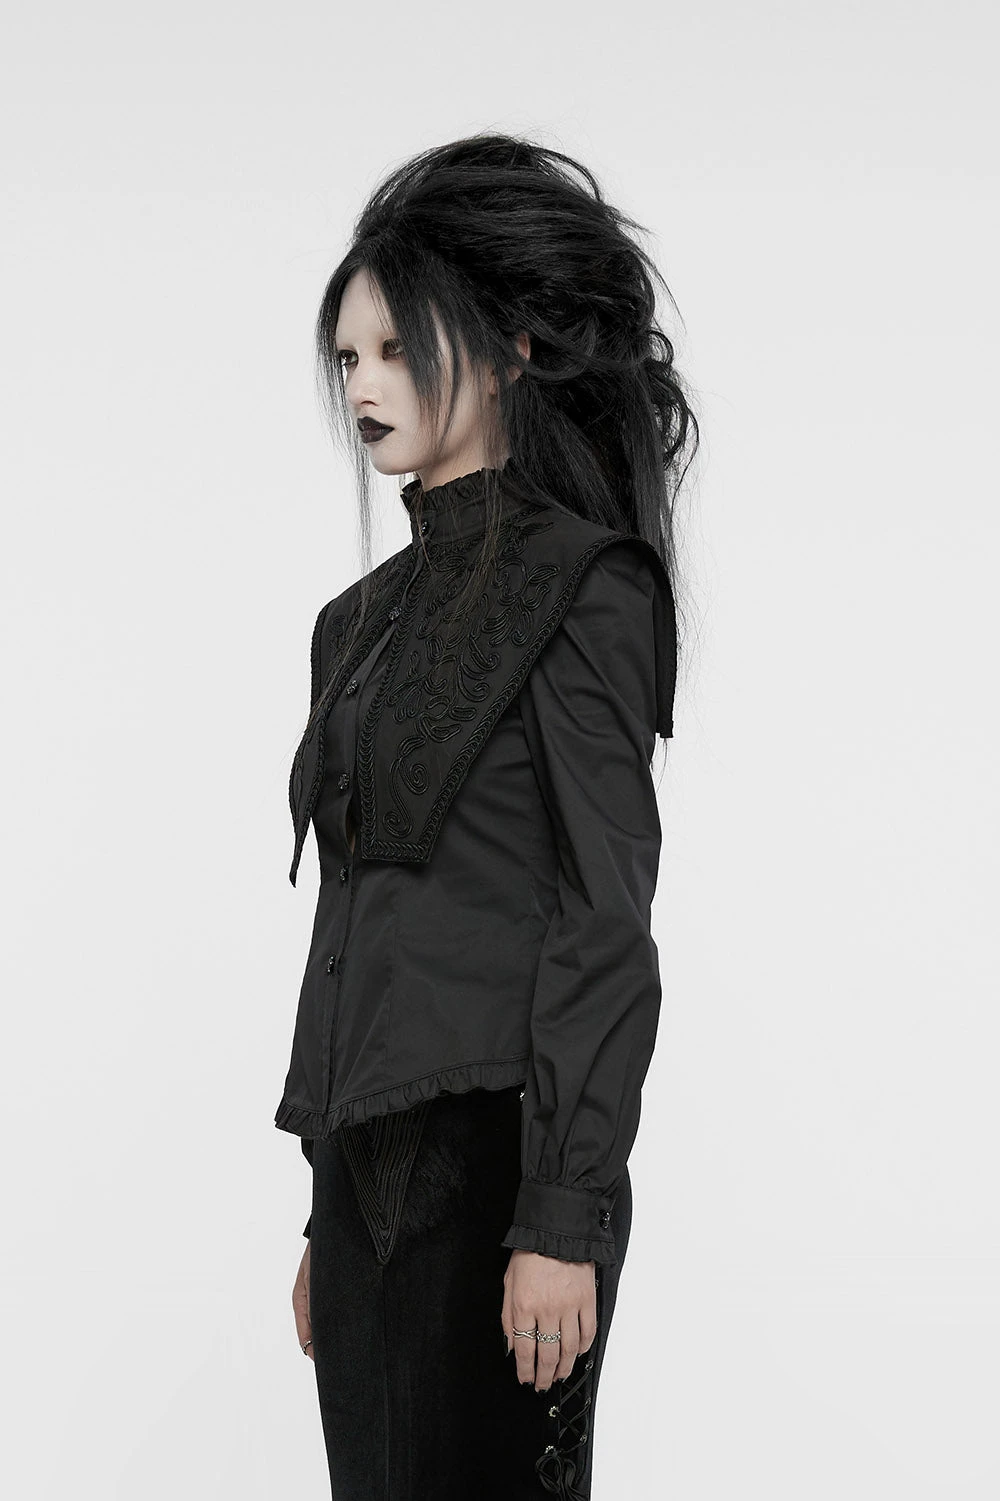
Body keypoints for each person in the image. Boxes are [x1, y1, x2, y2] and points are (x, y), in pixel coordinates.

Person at [275, 132, 699, 1500]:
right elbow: (361, 925)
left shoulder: (588, 585)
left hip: (498, 1167)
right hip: (362, 1174)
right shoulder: (353, 624)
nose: (364, 385)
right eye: (349, 356)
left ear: (511, 349)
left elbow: (603, 913)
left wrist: (562, 1215)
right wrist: (325, 1215)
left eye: (399, 349)